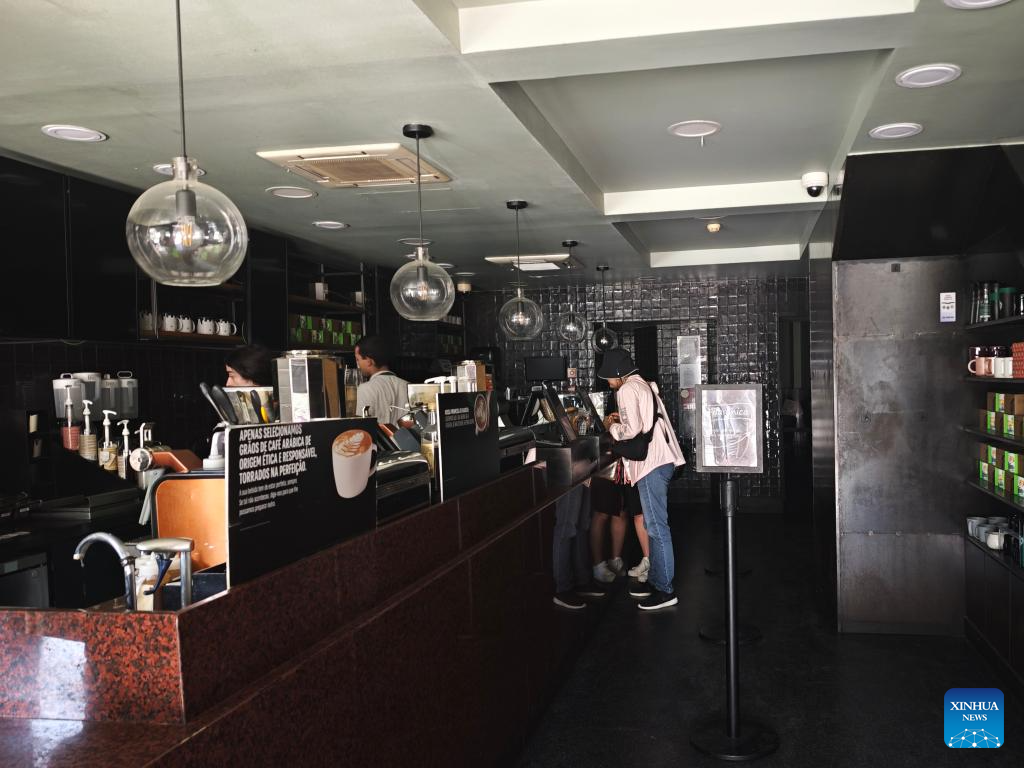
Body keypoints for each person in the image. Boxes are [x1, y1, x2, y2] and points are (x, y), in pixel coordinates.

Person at [599, 348, 685, 611]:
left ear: (617, 372)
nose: (608, 381)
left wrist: (611, 426)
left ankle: (665, 590)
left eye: (608, 377)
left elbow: (631, 430)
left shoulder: (626, 389)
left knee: (657, 528)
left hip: (651, 465)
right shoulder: (644, 385)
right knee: (653, 525)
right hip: (662, 460)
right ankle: (658, 582)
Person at [354, 335, 410, 424]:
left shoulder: (365, 389)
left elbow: (362, 426)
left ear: (369, 361)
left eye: (358, 359)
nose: (358, 364)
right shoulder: (408, 385)